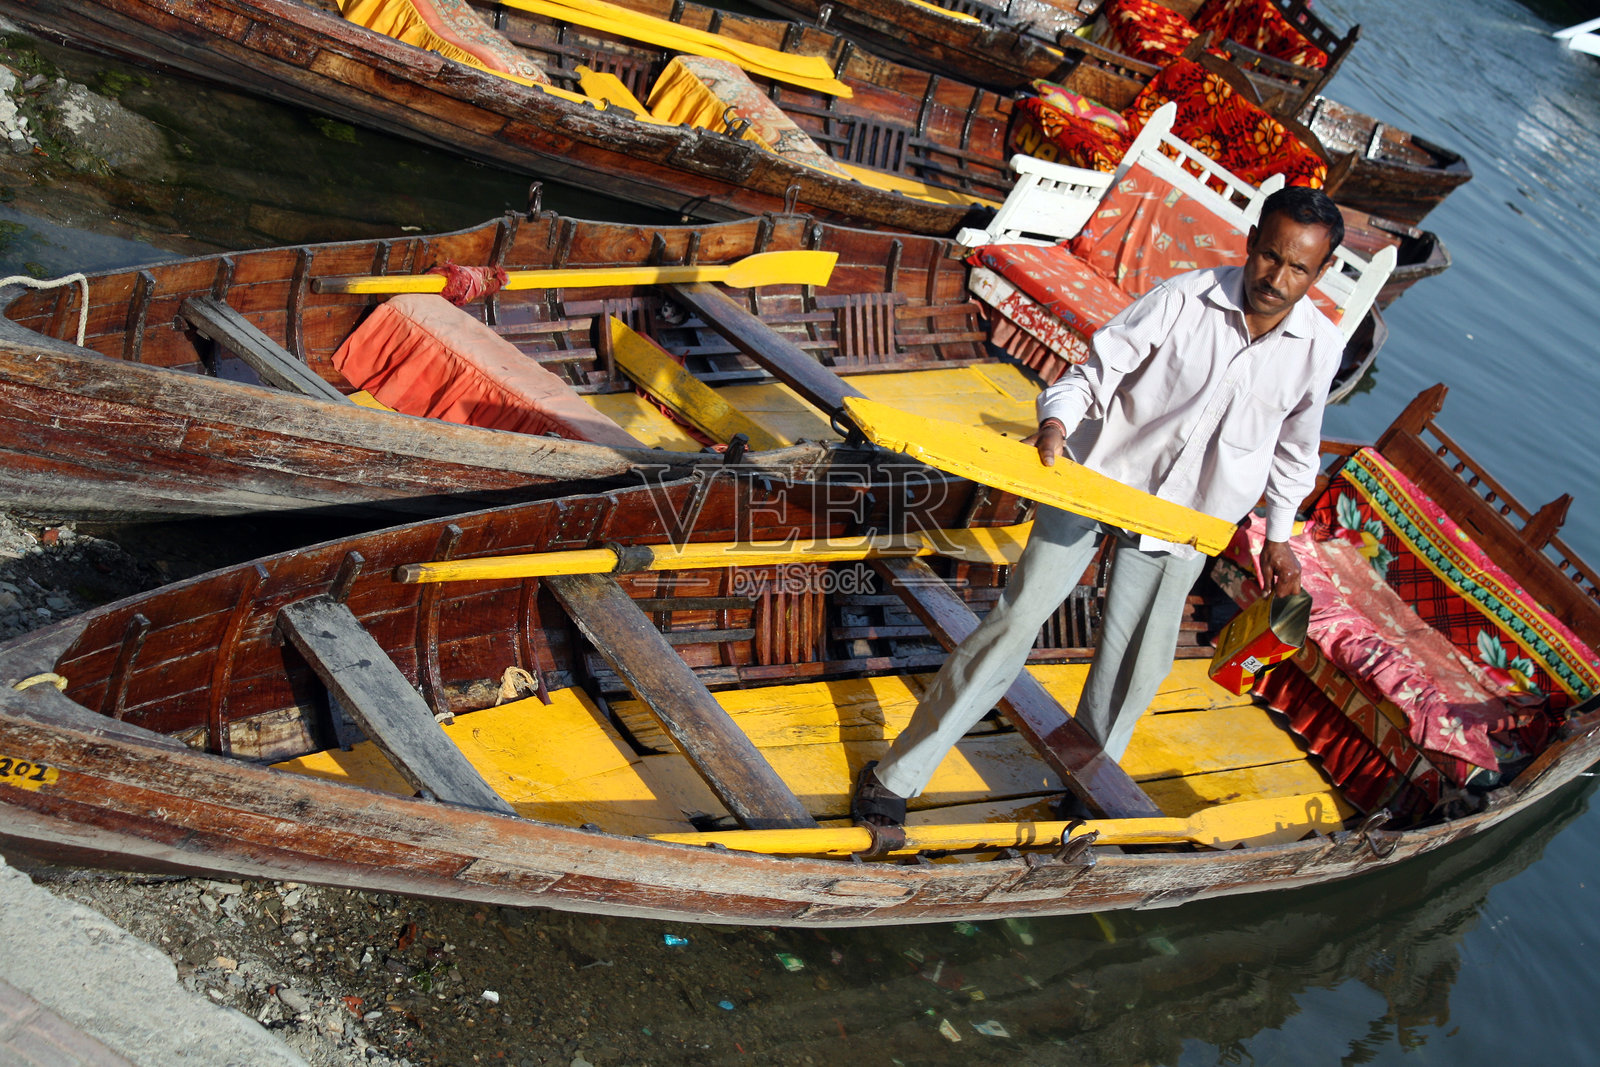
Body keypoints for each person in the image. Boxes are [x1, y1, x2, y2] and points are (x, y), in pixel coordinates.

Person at [852, 185, 1347, 828]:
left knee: (1136, 666)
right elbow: (1091, 375)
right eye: (1270, 257)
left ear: (1321, 272)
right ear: (1251, 242)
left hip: (1186, 520)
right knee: (1014, 622)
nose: (1277, 279)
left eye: (1299, 268)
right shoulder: (1184, 298)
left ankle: (1082, 792)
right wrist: (1057, 423)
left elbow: (1295, 449)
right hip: (1097, 477)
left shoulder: (1320, 347)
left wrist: (1278, 538)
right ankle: (898, 778)